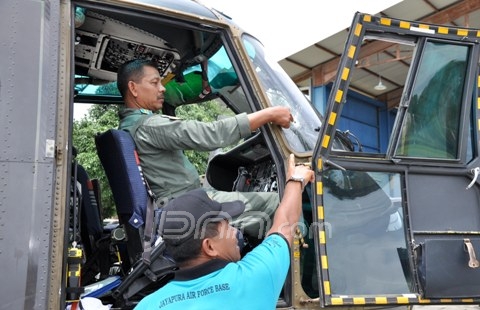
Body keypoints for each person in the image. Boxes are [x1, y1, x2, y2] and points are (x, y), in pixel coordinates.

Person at [117, 59, 293, 238]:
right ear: (133, 88)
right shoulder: (149, 126)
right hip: (187, 206)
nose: (162, 88)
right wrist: (270, 114)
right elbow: (212, 135)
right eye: (155, 83)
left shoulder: (128, 126)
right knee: (278, 202)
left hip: (177, 204)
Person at [134, 154, 314, 309]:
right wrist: (296, 180)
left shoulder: (148, 305)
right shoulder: (254, 277)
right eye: (226, 226)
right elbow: (286, 223)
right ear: (209, 247)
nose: (235, 230)